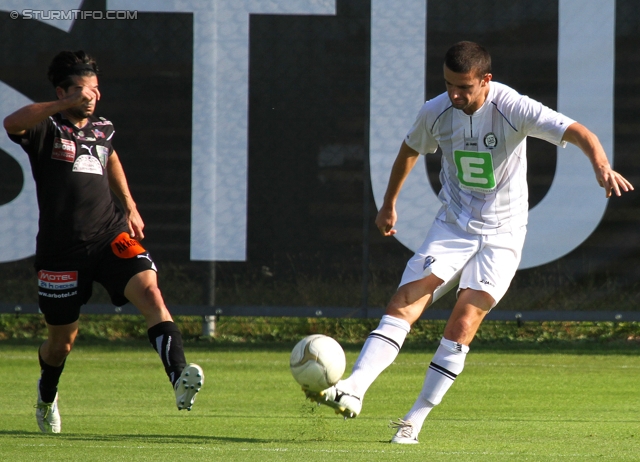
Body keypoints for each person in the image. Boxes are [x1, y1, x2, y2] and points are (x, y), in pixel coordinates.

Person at [304, 41, 633, 443]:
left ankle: (415, 418)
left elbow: (578, 131)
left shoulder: (513, 107)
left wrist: (601, 165)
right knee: (406, 299)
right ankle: (354, 388)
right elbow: (410, 148)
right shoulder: (437, 110)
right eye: (448, 85)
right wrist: (388, 204)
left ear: (485, 81)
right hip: (453, 225)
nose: (454, 95)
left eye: (463, 87)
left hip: (504, 234)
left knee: (463, 322)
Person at [3, 50, 205, 434]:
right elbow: (11, 121)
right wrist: (61, 105)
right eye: (81, 90)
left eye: (95, 89)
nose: (91, 96)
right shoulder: (48, 128)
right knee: (61, 343)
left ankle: (179, 377)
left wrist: (129, 205)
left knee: (151, 294)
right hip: (61, 252)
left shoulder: (103, 128)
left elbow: (109, 156)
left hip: (110, 236)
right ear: (62, 91)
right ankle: (47, 395)